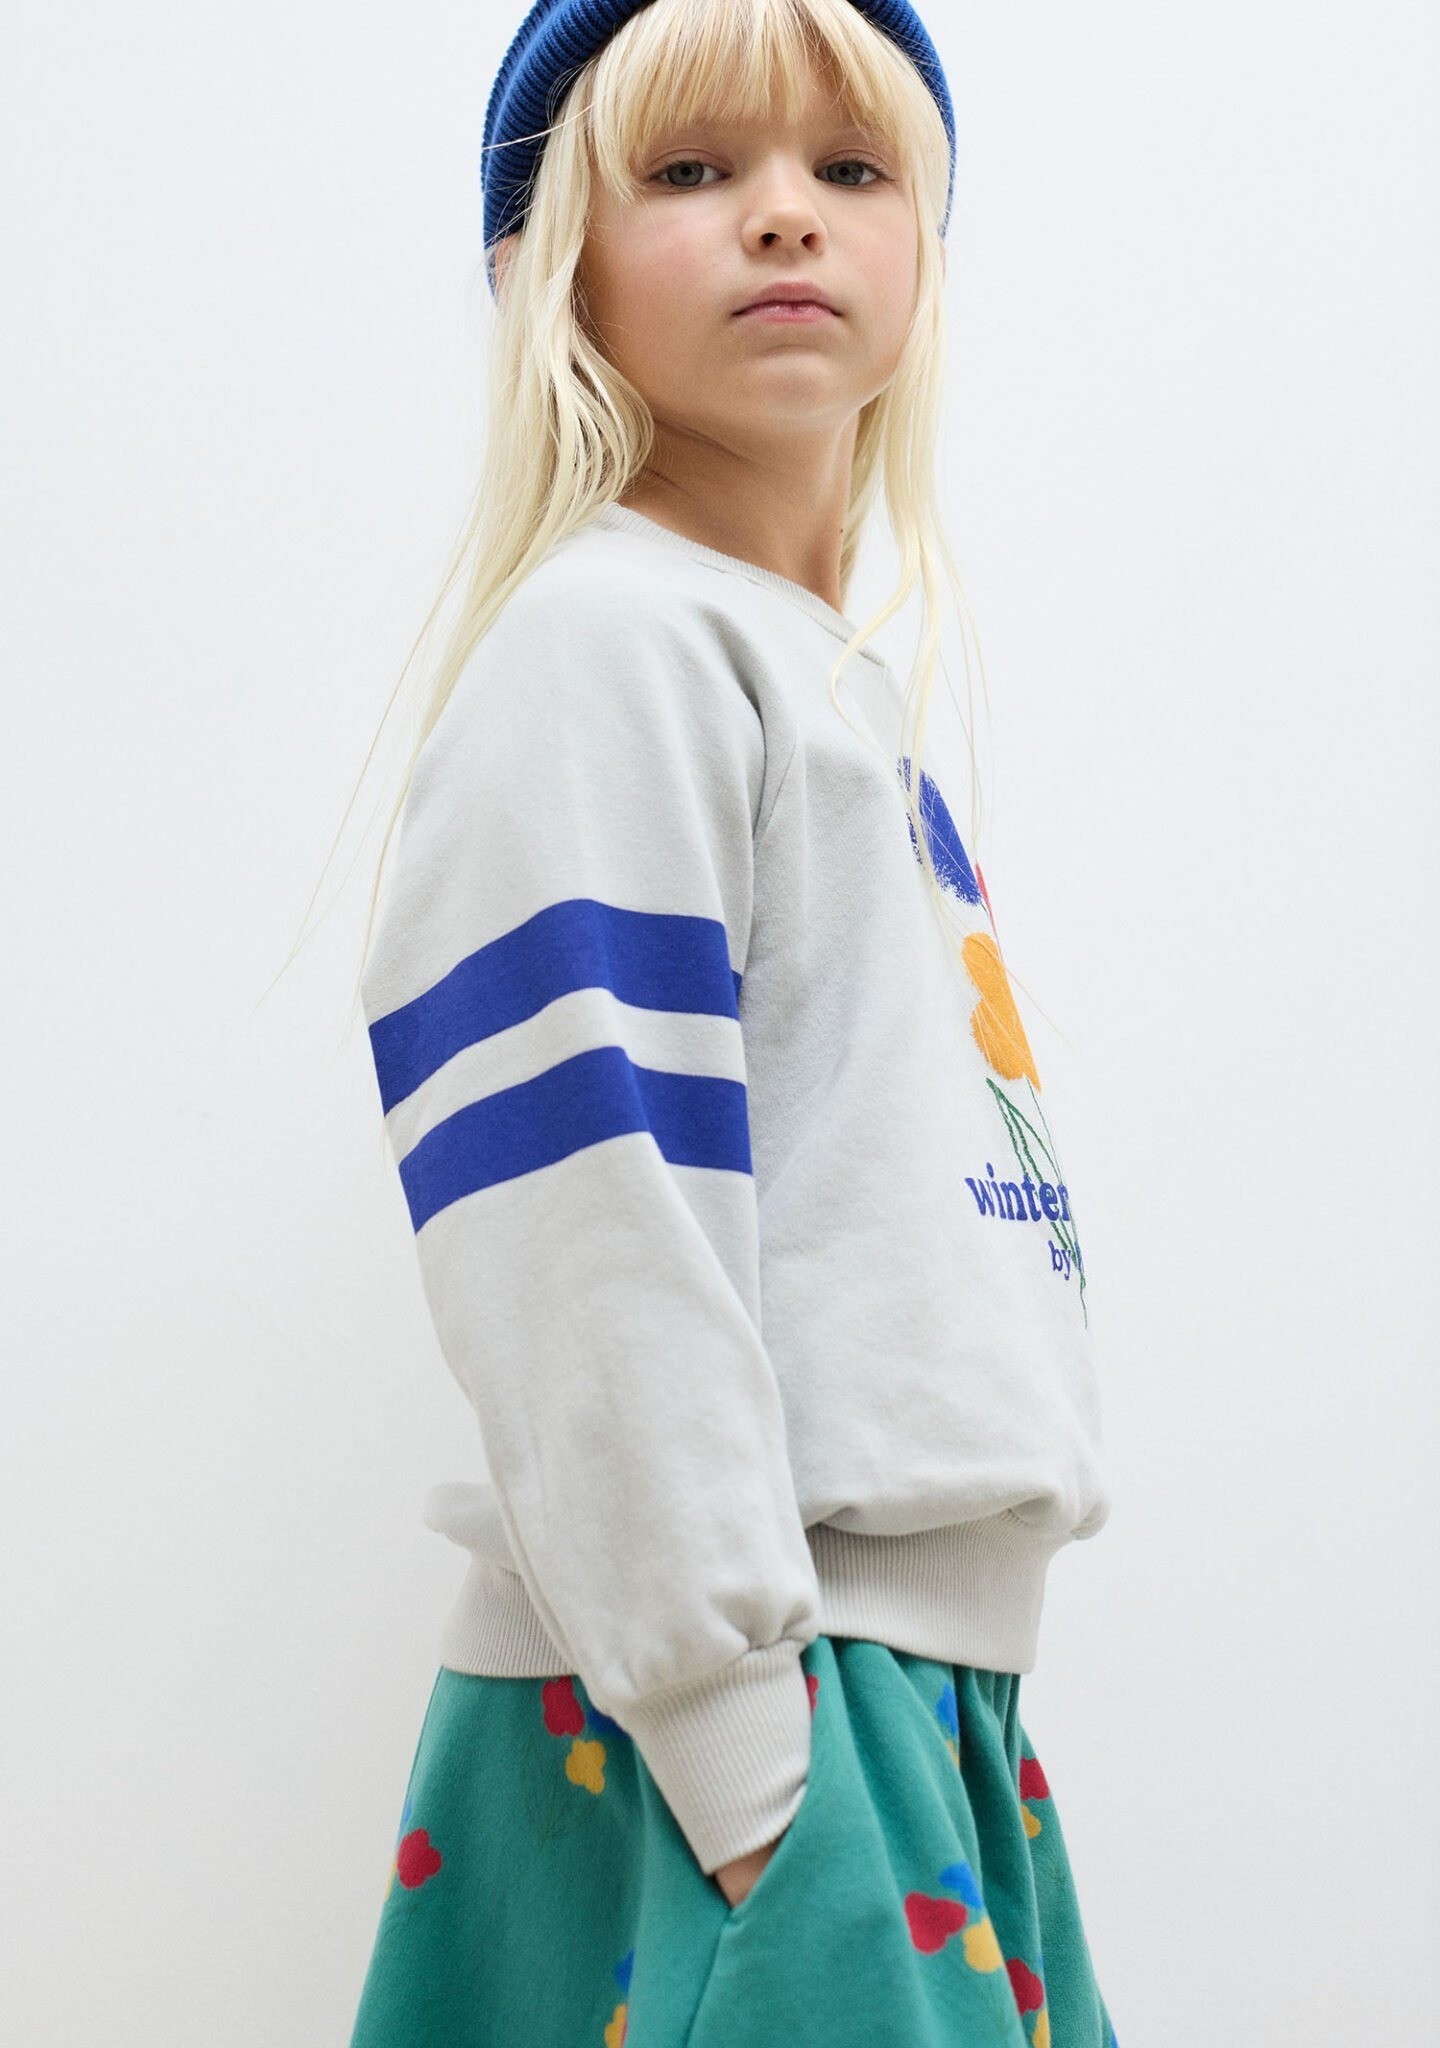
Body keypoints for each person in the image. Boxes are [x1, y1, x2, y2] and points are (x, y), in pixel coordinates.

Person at [344, 1, 1120, 2041]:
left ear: (925, 251)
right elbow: (581, 1226)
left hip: (894, 1712)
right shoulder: (610, 649)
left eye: (850, 170)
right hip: (741, 1737)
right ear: (551, 268)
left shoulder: (805, 672)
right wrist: (750, 1766)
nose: (785, 216)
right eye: (691, 172)